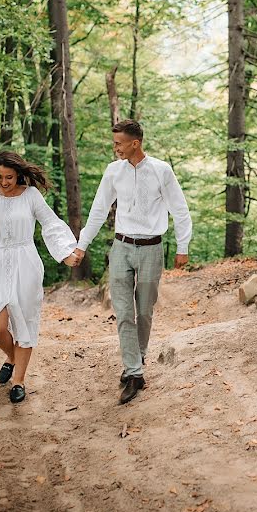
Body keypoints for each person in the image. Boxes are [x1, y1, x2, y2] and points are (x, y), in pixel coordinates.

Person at [75, 119, 192, 404]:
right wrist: (81, 245)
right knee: (124, 312)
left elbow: (180, 209)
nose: (115, 148)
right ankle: (134, 371)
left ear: (135, 143)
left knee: (145, 311)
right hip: (121, 247)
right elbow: (99, 209)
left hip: (152, 248)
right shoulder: (113, 172)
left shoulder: (161, 171)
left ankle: (136, 356)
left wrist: (183, 246)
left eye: (118, 143)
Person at [0, 151, 83, 403]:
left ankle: (19, 381)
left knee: (25, 323)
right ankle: (12, 357)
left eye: (9, 177)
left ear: (18, 174)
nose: (4, 183)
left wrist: (65, 253)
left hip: (25, 263)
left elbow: (50, 223)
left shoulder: (30, 196)